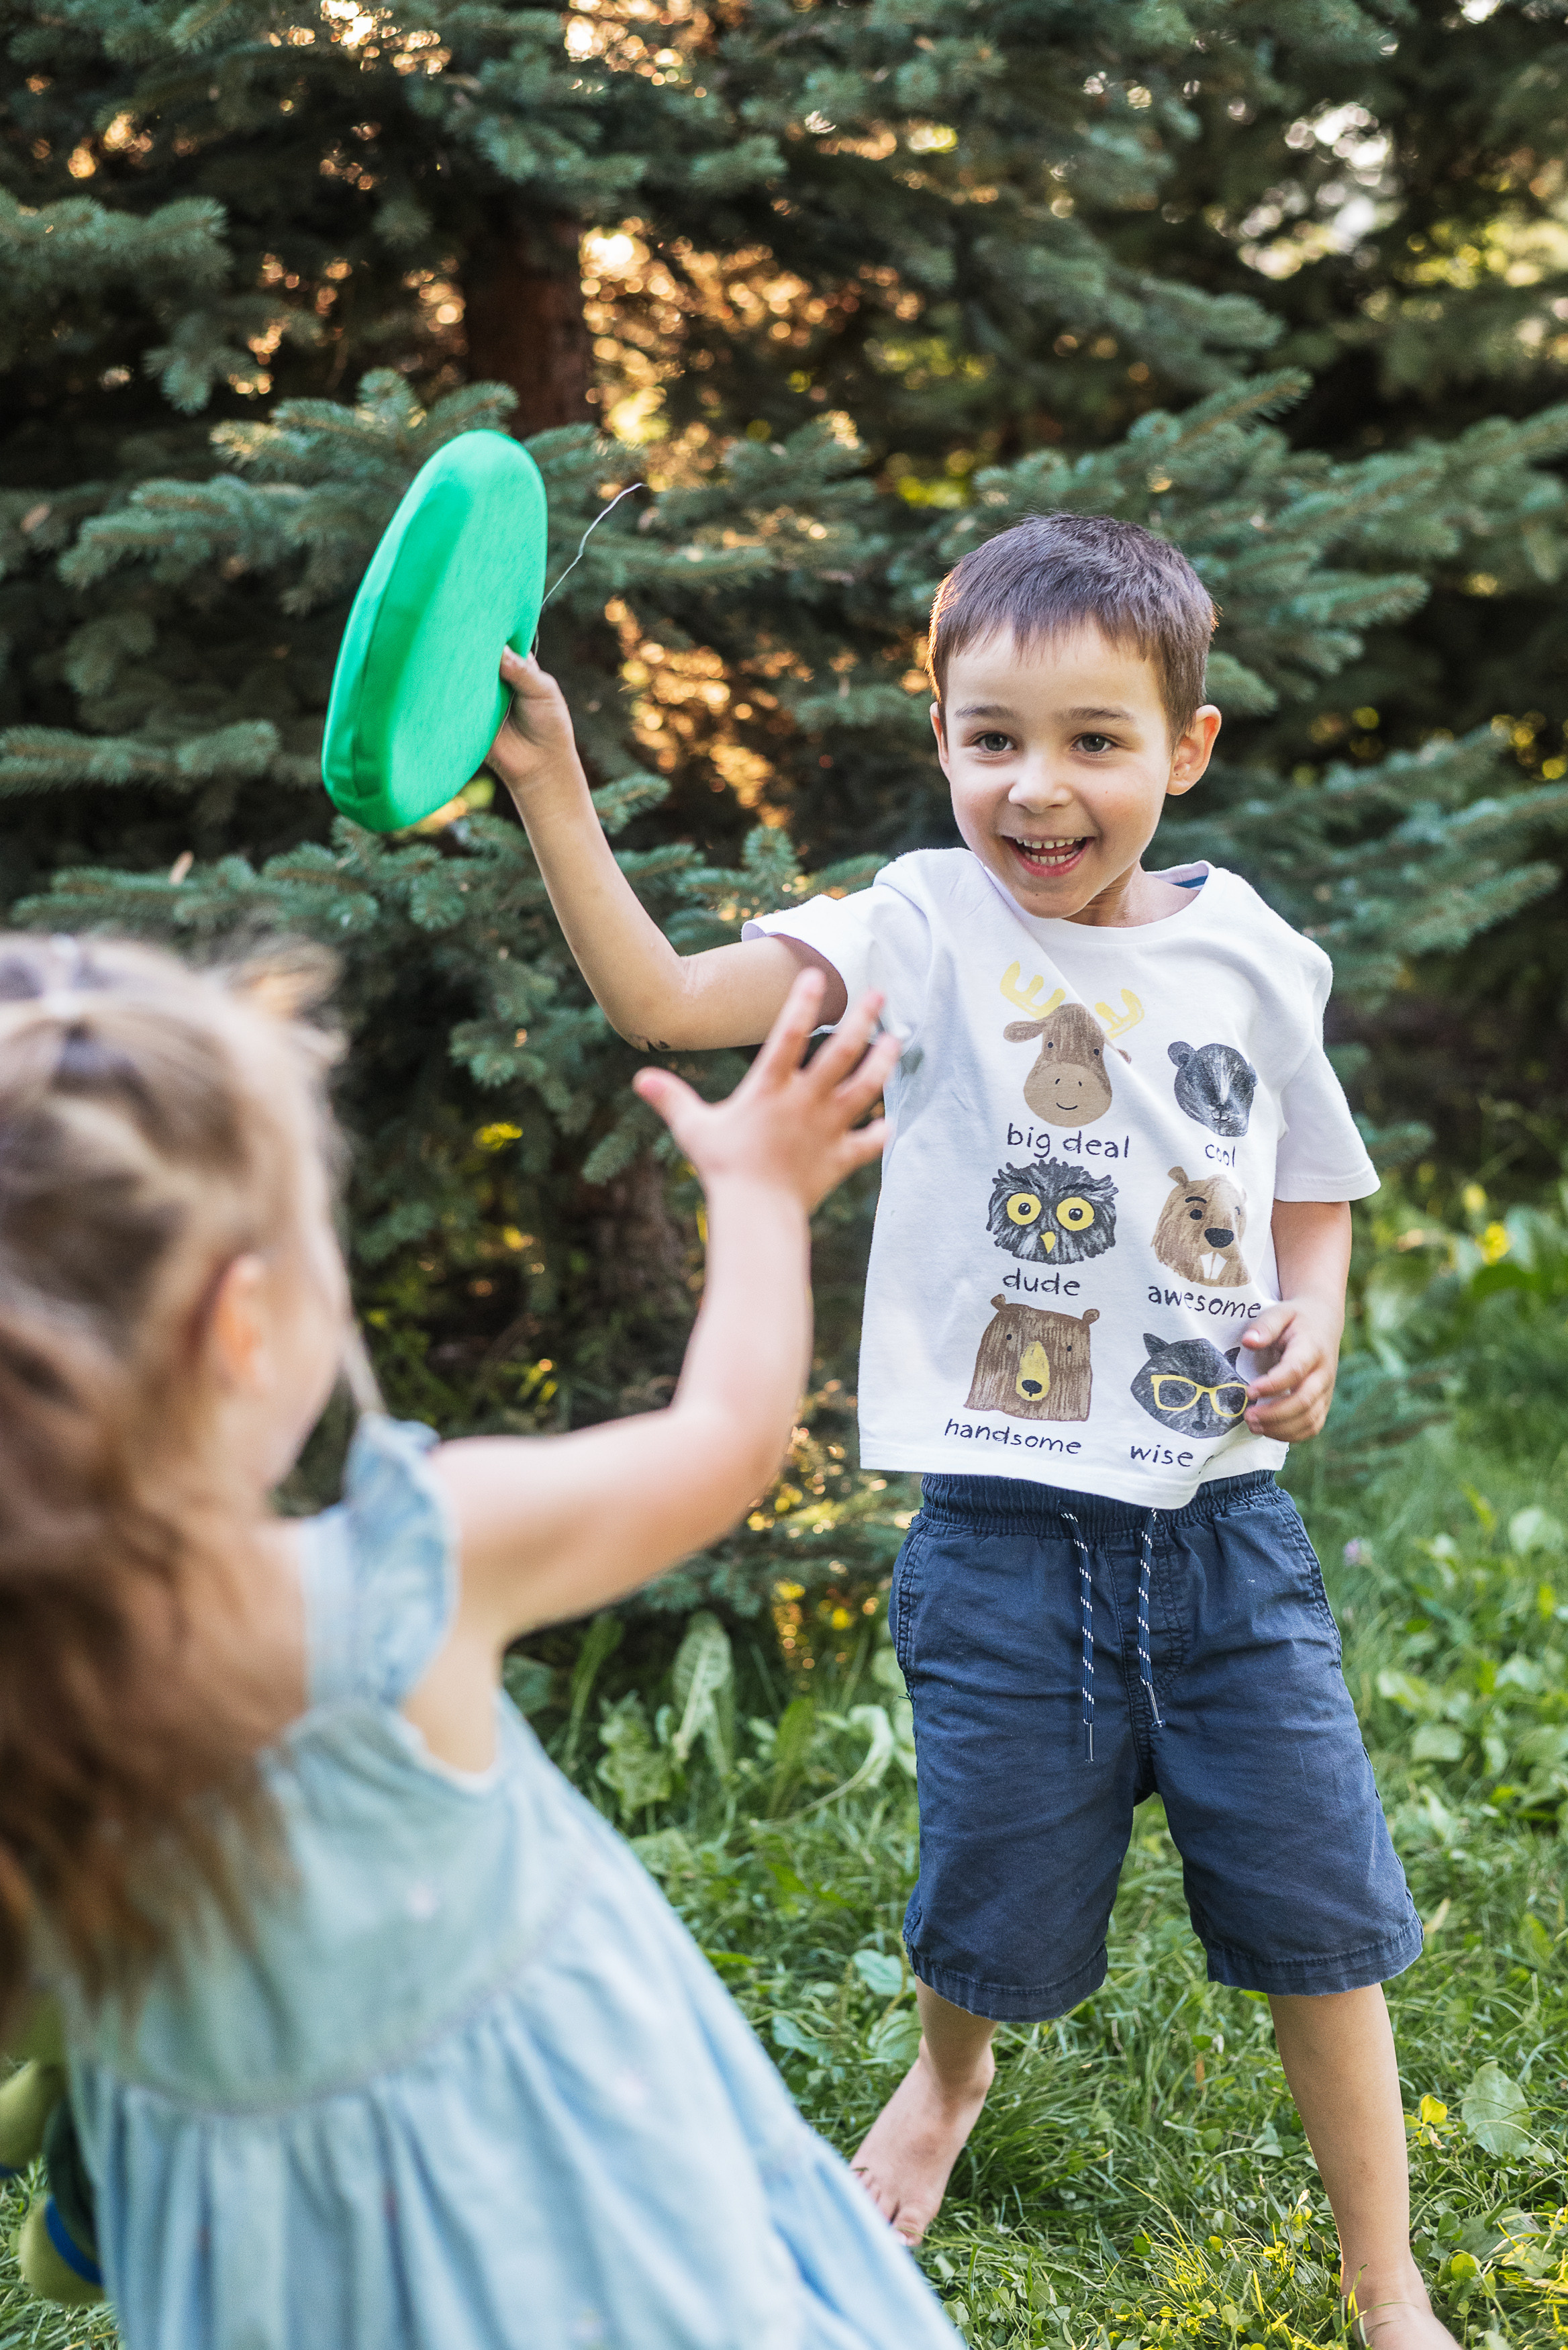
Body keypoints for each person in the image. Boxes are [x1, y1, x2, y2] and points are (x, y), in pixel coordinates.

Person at [485, 511, 1454, 2350]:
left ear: (1187, 747)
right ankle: (951, 2076)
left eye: (1095, 740)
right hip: (1003, 1538)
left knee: (1328, 1911)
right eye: (990, 735)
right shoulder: (919, 927)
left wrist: (1312, 1321)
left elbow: (1318, 1183)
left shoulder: (1258, 955)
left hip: (1229, 1535)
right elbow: (666, 1003)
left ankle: (1385, 2280)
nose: (1036, 787)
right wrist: (552, 790)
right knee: (985, 1890)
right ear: (938, 733)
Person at [0, 931, 965, 2350]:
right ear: (245, 1326)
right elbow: (725, 1441)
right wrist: (757, 1193)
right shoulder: (415, 1576)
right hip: (588, 2236)